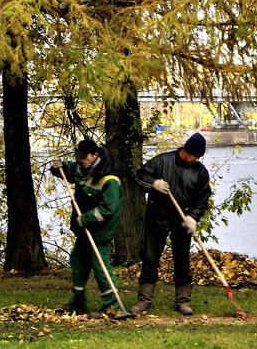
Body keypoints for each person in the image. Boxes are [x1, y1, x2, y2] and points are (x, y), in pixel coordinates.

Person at [130, 132, 211, 316]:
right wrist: (154, 183)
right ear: (185, 150)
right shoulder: (162, 161)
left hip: (181, 221)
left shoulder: (200, 172)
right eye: (195, 156)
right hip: (156, 218)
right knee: (150, 259)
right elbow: (140, 175)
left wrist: (193, 217)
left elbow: (203, 198)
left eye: (199, 157)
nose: (196, 159)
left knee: (182, 261)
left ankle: (183, 301)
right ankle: (144, 300)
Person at [54, 138, 128, 318]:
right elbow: (71, 170)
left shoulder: (110, 179)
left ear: (95, 155)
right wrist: (59, 167)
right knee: (78, 260)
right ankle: (78, 302)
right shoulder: (83, 167)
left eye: (84, 157)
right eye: (78, 156)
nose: (81, 160)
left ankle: (113, 306)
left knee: (100, 265)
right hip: (84, 228)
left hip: (101, 229)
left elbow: (108, 209)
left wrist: (84, 219)